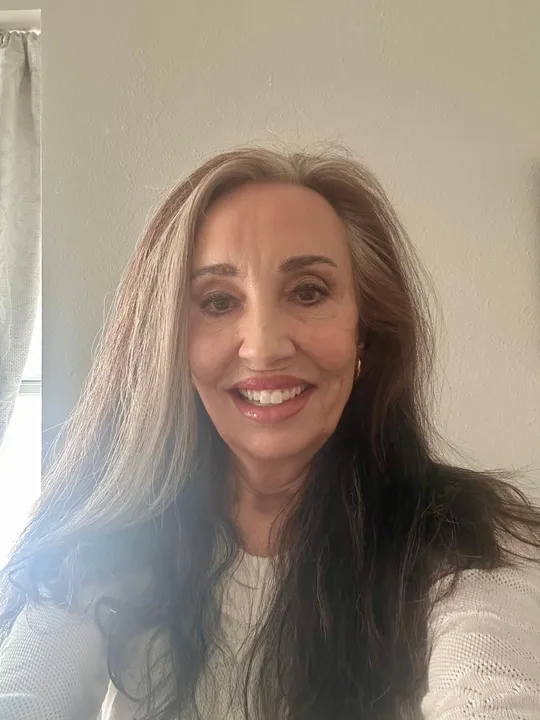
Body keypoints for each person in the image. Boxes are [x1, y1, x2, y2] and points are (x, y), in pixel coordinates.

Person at [0, 146, 539, 720]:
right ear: (169, 342)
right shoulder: (100, 547)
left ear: (365, 331)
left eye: (308, 292)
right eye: (218, 301)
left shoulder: (469, 544)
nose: (263, 347)